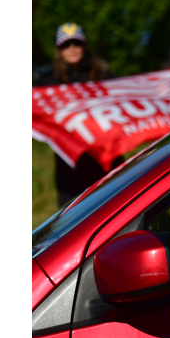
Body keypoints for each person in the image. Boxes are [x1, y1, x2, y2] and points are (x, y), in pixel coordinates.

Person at [33, 22, 122, 206]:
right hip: (70, 163)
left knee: (117, 208)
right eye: (66, 45)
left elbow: (126, 98)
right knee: (74, 219)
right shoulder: (47, 83)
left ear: (84, 45)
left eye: (76, 43)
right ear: (59, 50)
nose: (72, 48)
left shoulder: (103, 76)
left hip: (106, 157)